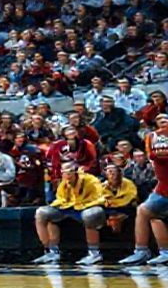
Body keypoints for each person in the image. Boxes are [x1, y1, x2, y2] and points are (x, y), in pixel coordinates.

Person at [33, 162, 107, 265]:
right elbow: (61, 198)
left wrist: (85, 205)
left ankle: (94, 253)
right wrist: (55, 205)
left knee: (90, 215)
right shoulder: (64, 183)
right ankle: (52, 251)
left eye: (70, 172)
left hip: (87, 206)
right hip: (69, 207)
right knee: (42, 213)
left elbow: (100, 198)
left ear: (76, 171)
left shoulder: (91, 180)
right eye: (64, 172)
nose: (67, 175)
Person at [119, 114, 168, 265]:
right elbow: (152, 155)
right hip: (163, 187)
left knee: (149, 213)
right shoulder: (152, 137)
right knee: (147, 213)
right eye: (159, 120)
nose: (163, 122)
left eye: (166, 119)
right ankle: (144, 251)